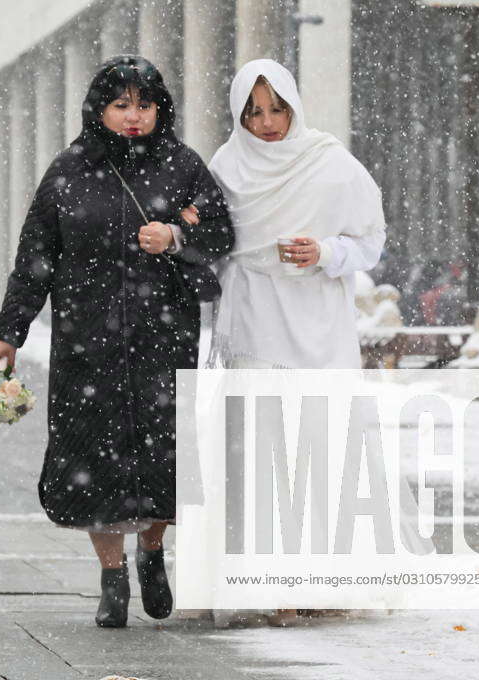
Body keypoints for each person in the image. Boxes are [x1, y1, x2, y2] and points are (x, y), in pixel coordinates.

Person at [0, 55, 233, 628]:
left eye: (143, 104)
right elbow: (36, 256)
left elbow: (220, 229)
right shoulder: (69, 170)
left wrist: (175, 235)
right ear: (98, 109)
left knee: (161, 455)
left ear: (159, 109)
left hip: (162, 337)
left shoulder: (182, 165)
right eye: (120, 104)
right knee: (94, 461)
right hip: (86, 340)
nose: (133, 116)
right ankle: (111, 576)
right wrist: (8, 330)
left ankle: (151, 552)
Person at [197, 59, 390, 627]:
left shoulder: (330, 162)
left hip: (320, 322)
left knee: (323, 448)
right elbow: (211, 236)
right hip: (255, 316)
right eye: (253, 111)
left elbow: (371, 241)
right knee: (261, 452)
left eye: (277, 108)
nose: (266, 123)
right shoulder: (226, 166)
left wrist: (327, 252)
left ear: (295, 106)